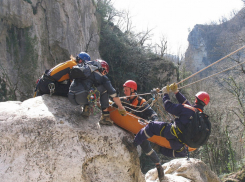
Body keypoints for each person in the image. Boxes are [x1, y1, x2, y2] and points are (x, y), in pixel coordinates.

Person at [131, 83, 210, 179]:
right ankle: (159, 151)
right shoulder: (200, 117)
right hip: (181, 146)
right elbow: (186, 104)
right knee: (177, 152)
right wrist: (176, 92)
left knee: (151, 127)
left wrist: (165, 94)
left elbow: (168, 106)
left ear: (196, 100)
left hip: (173, 134)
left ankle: (133, 144)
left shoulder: (188, 110)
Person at [121, 80, 164, 181]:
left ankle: (159, 166)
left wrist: (155, 122)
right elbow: (115, 104)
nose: (124, 92)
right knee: (146, 149)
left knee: (147, 150)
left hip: (140, 130)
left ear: (132, 90)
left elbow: (152, 113)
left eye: (126, 90)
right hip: (129, 126)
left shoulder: (141, 102)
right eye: (124, 90)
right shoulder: (124, 100)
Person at [68, 59, 127, 124]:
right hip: (81, 97)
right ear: (103, 70)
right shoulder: (103, 78)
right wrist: (121, 107)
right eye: (105, 72)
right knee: (105, 88)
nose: (105, 74)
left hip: (71, 96)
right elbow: (113, 94)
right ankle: (105, 117)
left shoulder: (86, 70)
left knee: (90, 89)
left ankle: (86, 110)